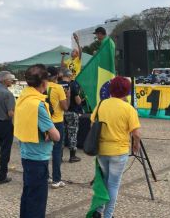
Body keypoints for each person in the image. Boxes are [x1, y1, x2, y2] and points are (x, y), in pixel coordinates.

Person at [91, 76, 141, 218]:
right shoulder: (129, 109)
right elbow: (136, 133)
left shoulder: (101, 104)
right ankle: (108, 215)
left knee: (103, 181)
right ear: (127, 91)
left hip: (101, 149)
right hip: (119, 151)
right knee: (113, 184)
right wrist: (136, 145)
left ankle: (98, 210)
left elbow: (92, 124)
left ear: (111, 89)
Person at [15, 64, 60, 218]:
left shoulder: (23, 98)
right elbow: (56, 136)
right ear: (44, 83)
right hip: (38, 158)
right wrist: (49, 131)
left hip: (26, 153)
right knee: (37, 202)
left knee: (28, 195)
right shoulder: (38, 104)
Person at [46, 66, 70, 189]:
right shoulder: (58, 88)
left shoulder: (43, 86)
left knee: (44, 150)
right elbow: (65, 107)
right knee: (56, 151)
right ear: (56, 76)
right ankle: (56, 179)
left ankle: (46, 176)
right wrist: (68, 95)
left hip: (45, 121)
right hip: (57, 122)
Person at [60, 69, 82, 163]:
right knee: (72, 133)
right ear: (70, 76)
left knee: (61, 134)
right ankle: (72, 156)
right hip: (72, 112)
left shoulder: (57, 84)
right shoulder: (72, 85)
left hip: (60, 113)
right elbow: (78, 101)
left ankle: (59, 156)